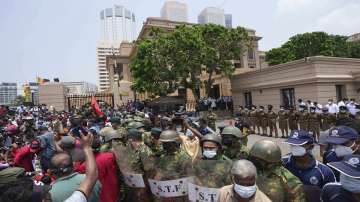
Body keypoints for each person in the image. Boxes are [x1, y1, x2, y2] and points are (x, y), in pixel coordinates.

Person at [49, 133, 101, 202]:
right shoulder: (92, 181)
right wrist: (87, 147)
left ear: (51, 173)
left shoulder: (49, 194)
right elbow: (92, 176)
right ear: (73, 165)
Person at [64, 132, 99, 202]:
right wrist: (87, 148)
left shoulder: (80, 166)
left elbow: (91, 177)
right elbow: (91, 177)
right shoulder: (108, 156)